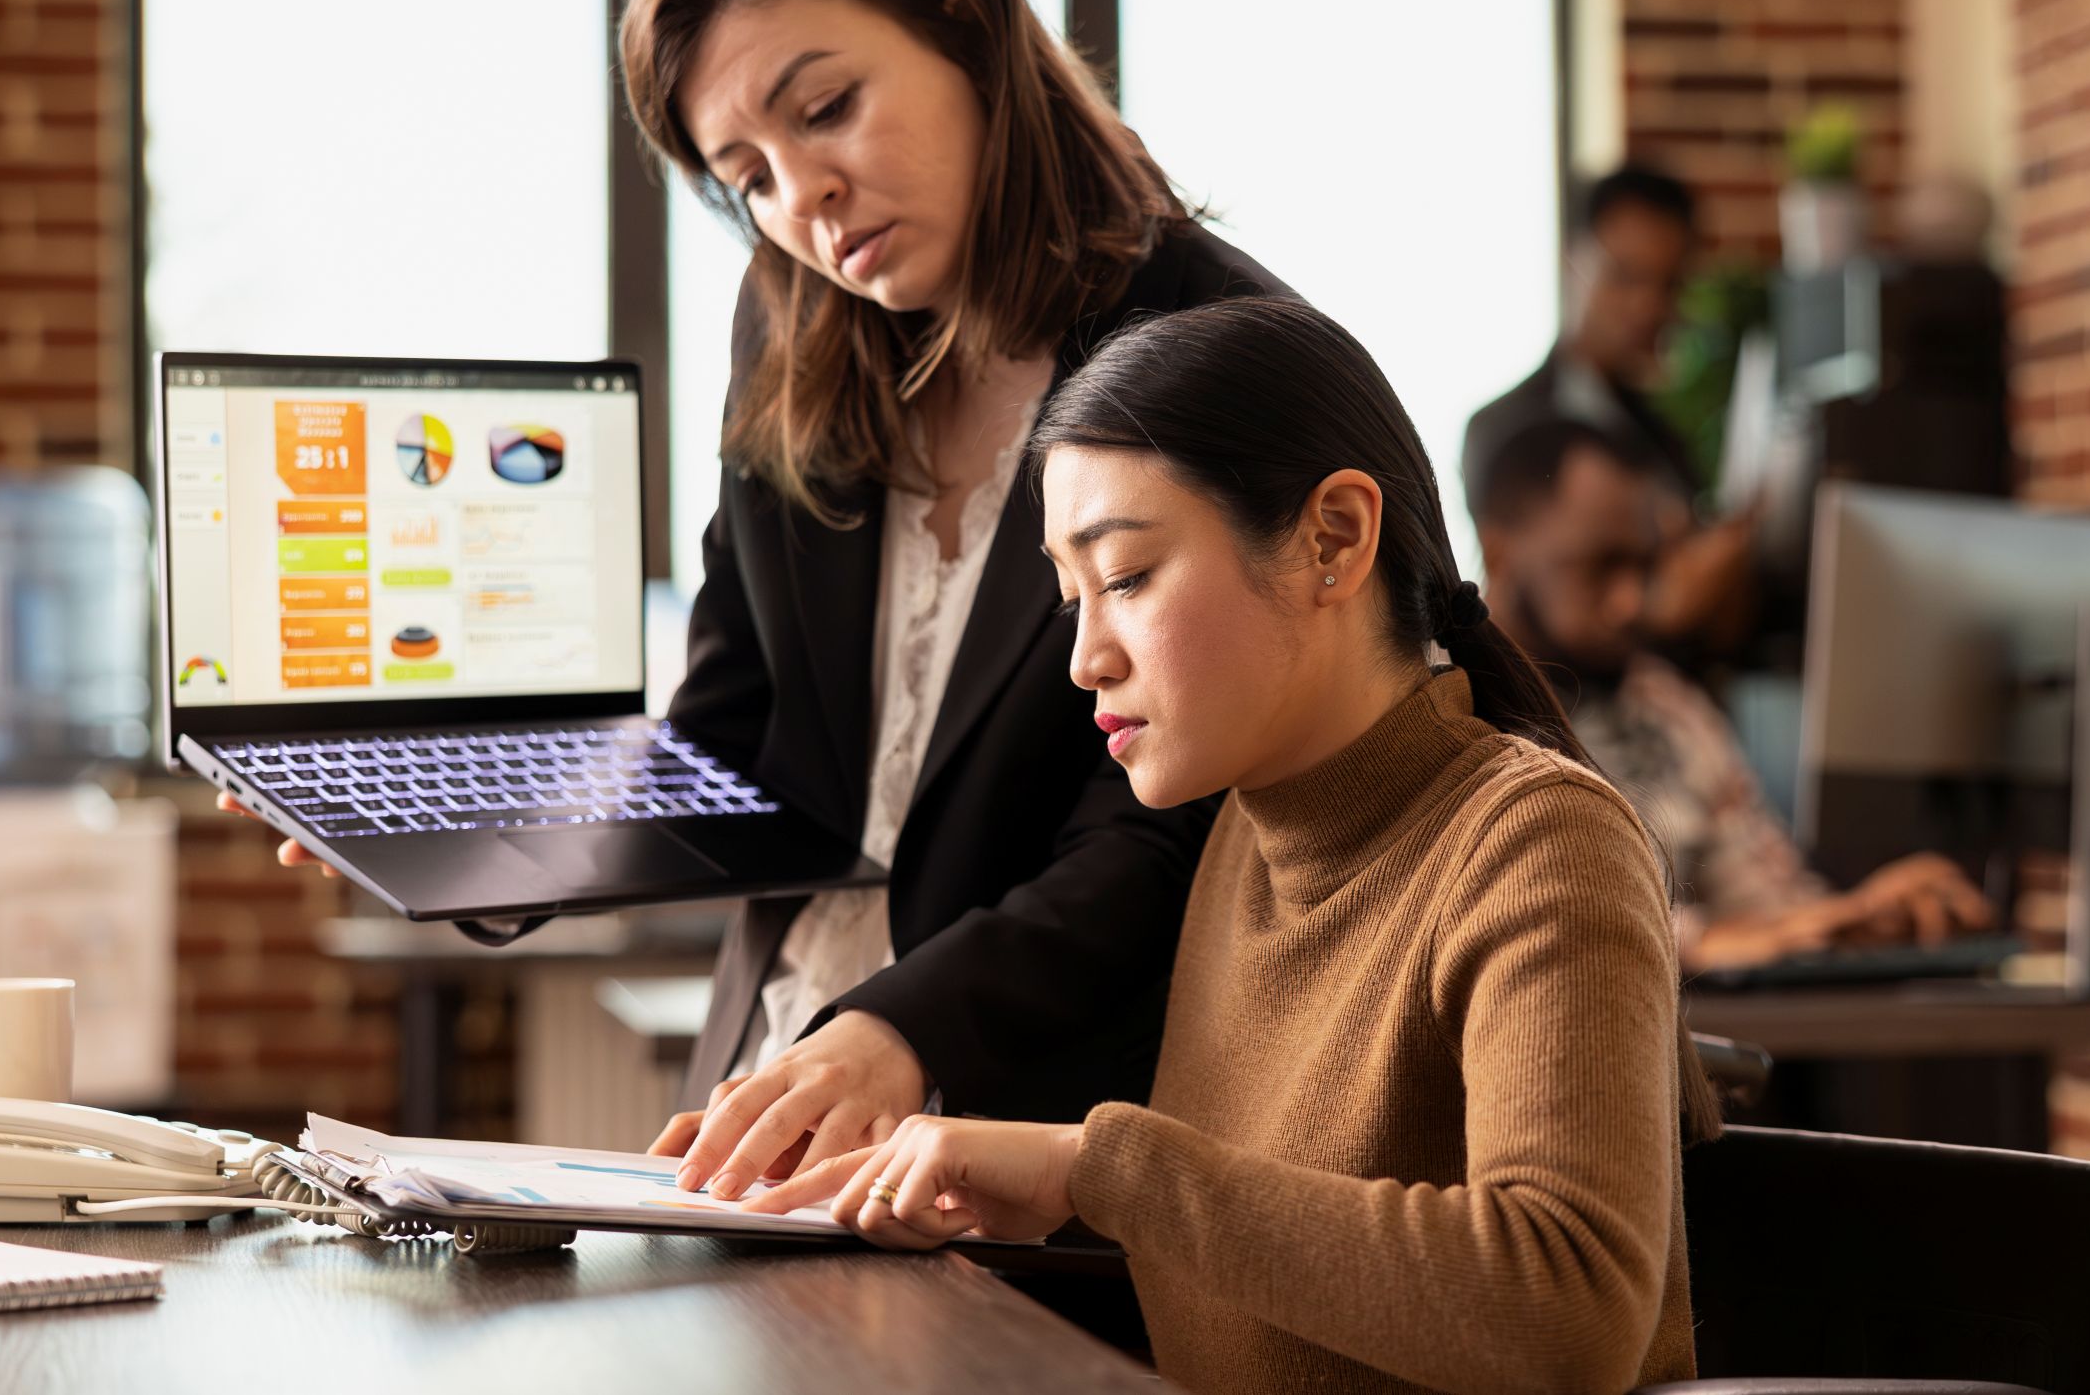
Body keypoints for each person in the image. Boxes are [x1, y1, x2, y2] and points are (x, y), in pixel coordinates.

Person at [224, 0, 1286, 1190]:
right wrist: (463, 833)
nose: (803, 200)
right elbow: (741, 745)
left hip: (1050, 1134)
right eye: (747, 177)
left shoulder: (1217, 347)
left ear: (965, 20)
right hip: (774, 1095)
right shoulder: (793, 336)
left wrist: (902, 1027)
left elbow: (1176, 833)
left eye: (827, 105)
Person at [754, 299, 1715, 1394]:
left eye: (1123, 578)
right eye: (1070, 598)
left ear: (1334, 538)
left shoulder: (1540, 842)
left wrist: (1094, 1167)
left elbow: (1567, 1312)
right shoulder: (1239, 842)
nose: (1084, 658)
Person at [1470, 415, 1993, 973]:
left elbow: (1769, 901)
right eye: (1598, 567)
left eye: (1642, 567)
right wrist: (1706, 943)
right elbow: (1506, 915)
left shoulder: (1663, 703)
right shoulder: (1447, 710)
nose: (1629, 602)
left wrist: (1856, 917)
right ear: (1499, 554)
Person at [1464, 162, 1757, 654]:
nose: (1647, 306)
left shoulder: (1663, 437)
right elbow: (1536, 606)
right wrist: (1657, 603)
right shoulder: (1499, 429)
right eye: (1625, 276)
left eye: (1668, 285)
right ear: (1573, 259)